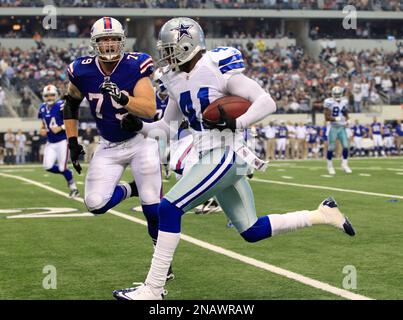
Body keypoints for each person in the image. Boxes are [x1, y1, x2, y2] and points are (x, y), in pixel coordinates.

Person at [114, 17, 355, 300]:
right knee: (251, 230)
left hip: (225, 154)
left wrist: (236, 124)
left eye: (169, 49)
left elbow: (266, 101)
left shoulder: (218, 66)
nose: (165, 56)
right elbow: (167, 127)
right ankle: (322, 214)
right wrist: (140, 126)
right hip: (212, 157)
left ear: (187, 46)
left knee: (168, 209)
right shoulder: (175, 80)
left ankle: (153, 288)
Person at [63, 17, 173, 278]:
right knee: (95, 204)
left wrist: (122, 97)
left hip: (140, 142)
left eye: (114, 39)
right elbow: (70, 104)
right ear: (95, 43)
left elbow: (149, 109)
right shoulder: (82, 70)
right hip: (108, 145)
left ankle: (162, 263)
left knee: (152, 208)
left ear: (122, 41)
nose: (109, 44)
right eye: (104, 39)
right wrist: (72, 142)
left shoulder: (135, 65)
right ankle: (129, 189)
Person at [38, 85, 80, 197]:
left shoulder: (62, 105)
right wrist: (42, 128)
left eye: (52, 95)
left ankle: (73, 188)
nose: (49, 98)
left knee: (62, 167)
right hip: (50, 142)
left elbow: (73, 121)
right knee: (47, 166)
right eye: (47, 96)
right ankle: (68, 172)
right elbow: (43, 121)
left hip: (62, 141)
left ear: (56, 95)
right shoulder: (42, 107)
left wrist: (61, 127)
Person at [324, 86, 352, 175]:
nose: (337, 96)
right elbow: (326, 117)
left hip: (341, 127)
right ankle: (329, 166)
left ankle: (344, 164)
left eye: (338, 94)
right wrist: (336, 119)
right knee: (331, 147)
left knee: (346, 146)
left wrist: (347, 119)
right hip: (333, 127)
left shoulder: (344, 101)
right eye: (335, 94)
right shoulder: (328, 102)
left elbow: (345, 111)